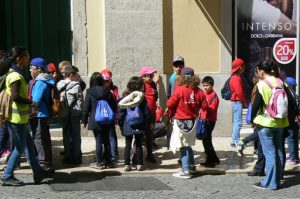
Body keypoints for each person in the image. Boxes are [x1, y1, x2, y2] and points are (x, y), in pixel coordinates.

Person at [0, 47, 52, 186]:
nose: (28, 60)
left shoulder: (14, 73)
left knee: (29, 146)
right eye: (27, 57)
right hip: (17, 119)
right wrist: (32, 103)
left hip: (20, 118)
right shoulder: (15, 76)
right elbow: (16, 96)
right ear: (19, 59)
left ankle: (38, 173)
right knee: (20, 147)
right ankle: (7, 175)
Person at [251, 59, 288, 190]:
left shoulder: (261, 84)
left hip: (266, 123)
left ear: (261, 71)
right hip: (281, 123)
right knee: (278, 151)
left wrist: (252, 120)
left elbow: (256, 105)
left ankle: (270, 183)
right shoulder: (281, 82)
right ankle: (276, 180)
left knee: (270, 153)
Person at [167, 67, 208, 179]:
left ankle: (185, 170)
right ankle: (192, 167)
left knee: (183, 146)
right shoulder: (199, 91)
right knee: (188, 144)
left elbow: (170, 104)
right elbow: (205, 106)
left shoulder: (180, 90)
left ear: (182, 77)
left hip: (181, 120)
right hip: (193, 121)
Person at [82, 72, 116, 169]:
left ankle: (99, 163)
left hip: (96, 120)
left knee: (98, 141)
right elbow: (113, 105)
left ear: (92, 81)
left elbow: (86, 107)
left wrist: (84, 120)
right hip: (107, 119)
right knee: (107, 141)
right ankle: (109, 162)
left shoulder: (90, 92)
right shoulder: (107, 90)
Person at [118, 76, 151, 171]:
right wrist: (148, 122)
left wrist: (121, 123)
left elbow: (121, 112)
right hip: (139, 123)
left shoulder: (125, 97)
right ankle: (139, 164)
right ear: (141, 86)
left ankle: (127, 164)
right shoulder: (142, 97)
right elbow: (146, 111)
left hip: (127, 123)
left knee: (127, 144)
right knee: (139, 144)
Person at [29, 57, 55, 172]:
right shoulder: (46, 80)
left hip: (39, 114)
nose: (30, 70)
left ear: (39, 69)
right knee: (45, 138)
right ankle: (47, 162)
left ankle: (43, 163)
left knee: (39, 139)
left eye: (32, 68)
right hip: (44, 114)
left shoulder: (40, 82)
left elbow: (36, 100)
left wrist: (28, 110)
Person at [57, 66, 83, 164]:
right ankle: (76, 157)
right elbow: (80, 101)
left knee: (66, 134)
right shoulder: (76, 86)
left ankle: (67, 156)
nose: (77, 77)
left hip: (64, 113)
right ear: (71, 75)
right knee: (76, 135)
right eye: (76, 75)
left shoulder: (59, 85)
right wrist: (81, 113)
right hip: (74, 114)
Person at [200, 76, 220, 167]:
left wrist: (205, 107)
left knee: (207, 141)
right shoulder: (204, 94)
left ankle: (210, 160)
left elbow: (212, 109)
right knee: (206, 140)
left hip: (210, 121)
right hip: (204, 120)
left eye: (207, 85)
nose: (205, 88)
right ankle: (214, 158)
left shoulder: (214, 96)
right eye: (203, 85)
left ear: (212, 85)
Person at [139, 66, 158, 163]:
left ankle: (149, 154)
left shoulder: (153, 85)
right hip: (142, 114)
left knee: (150, 135)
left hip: (152, 114)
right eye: (149, 75)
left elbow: (155, 96)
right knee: (140, 134)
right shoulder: (140, 85)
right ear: (143, 76)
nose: (151, 77)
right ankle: (137, 155)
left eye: (152, 75)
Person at [100, 69, 119, 162]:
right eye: (105, 80)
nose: (107, 82)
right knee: (107, 136)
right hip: (105, 116)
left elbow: (116, 101)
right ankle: (108, 153)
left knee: (111, 135)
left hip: (110, 115)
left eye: (108, 79)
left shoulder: (114, 89)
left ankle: (113, 155)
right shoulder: (102, 89)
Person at [229, 58, 246, 149]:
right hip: (237, 101)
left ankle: (234, 139)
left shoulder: (234, 77)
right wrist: (244, 100)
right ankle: (235, 140)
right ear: (240, 68)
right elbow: (239, 91)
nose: (244, 69)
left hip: (236, 101)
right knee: (238, 122)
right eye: (243, 67)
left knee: (237, 121)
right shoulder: (236, 78)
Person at [284, 76, 299, 165]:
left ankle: (293, 158)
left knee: (290, 138)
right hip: (295, 119)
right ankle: (295, 157)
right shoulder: (294, 94)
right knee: (294, 139)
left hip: (291, 119)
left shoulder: (288, 93)